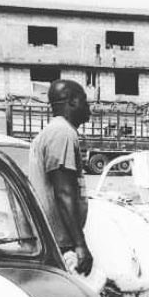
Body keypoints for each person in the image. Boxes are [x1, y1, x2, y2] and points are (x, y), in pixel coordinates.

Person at [28, 80, 93, 274]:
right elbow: (63, 192)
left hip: (53, 240)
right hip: (57, 243)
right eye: (84, 100)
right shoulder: (62, 133)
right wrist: (80, 245)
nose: (88, 106)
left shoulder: (57, 130)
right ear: (72, 101)